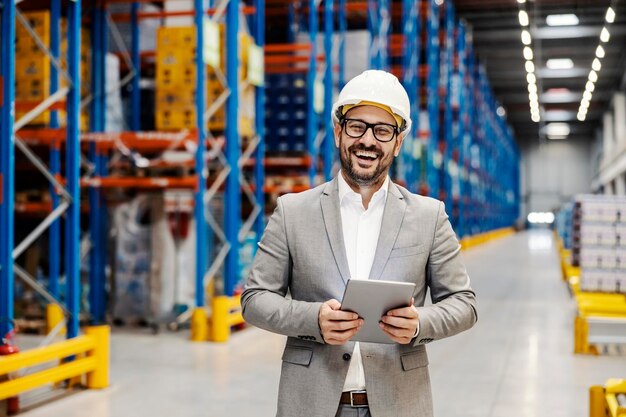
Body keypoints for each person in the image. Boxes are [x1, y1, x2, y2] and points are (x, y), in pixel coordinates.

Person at [241, 69, 477, 417]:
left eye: (382, 130)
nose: (368, 140)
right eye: (357, 126)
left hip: (399, 403)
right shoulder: (293, 211)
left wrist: (418, 324)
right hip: (311, 403)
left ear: (397, 142)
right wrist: (313, 319)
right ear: (338, 132)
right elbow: (254, 300)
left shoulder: (430, 216)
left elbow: (464, 304)